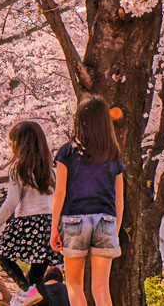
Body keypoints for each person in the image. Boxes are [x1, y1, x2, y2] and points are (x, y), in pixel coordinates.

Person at [0, 121, 64, 306]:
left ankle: (26, 290)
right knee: (36, 278)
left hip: (27, 223)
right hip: (49, 225)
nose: (11, 147)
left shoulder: (19, 168)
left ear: (21, 143)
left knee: (1, 253)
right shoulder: (53, 170)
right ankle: (30, 291)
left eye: (12, 143)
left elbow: (11, 202)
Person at [50, 98, 124, 306]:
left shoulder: (67, 152)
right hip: (106, 220)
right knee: (101, 289)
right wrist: (114, 228)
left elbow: (60, 192)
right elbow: (119, 198)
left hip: (74, 220)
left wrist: (54, 228)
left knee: (74, 284)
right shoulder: (114, 155)